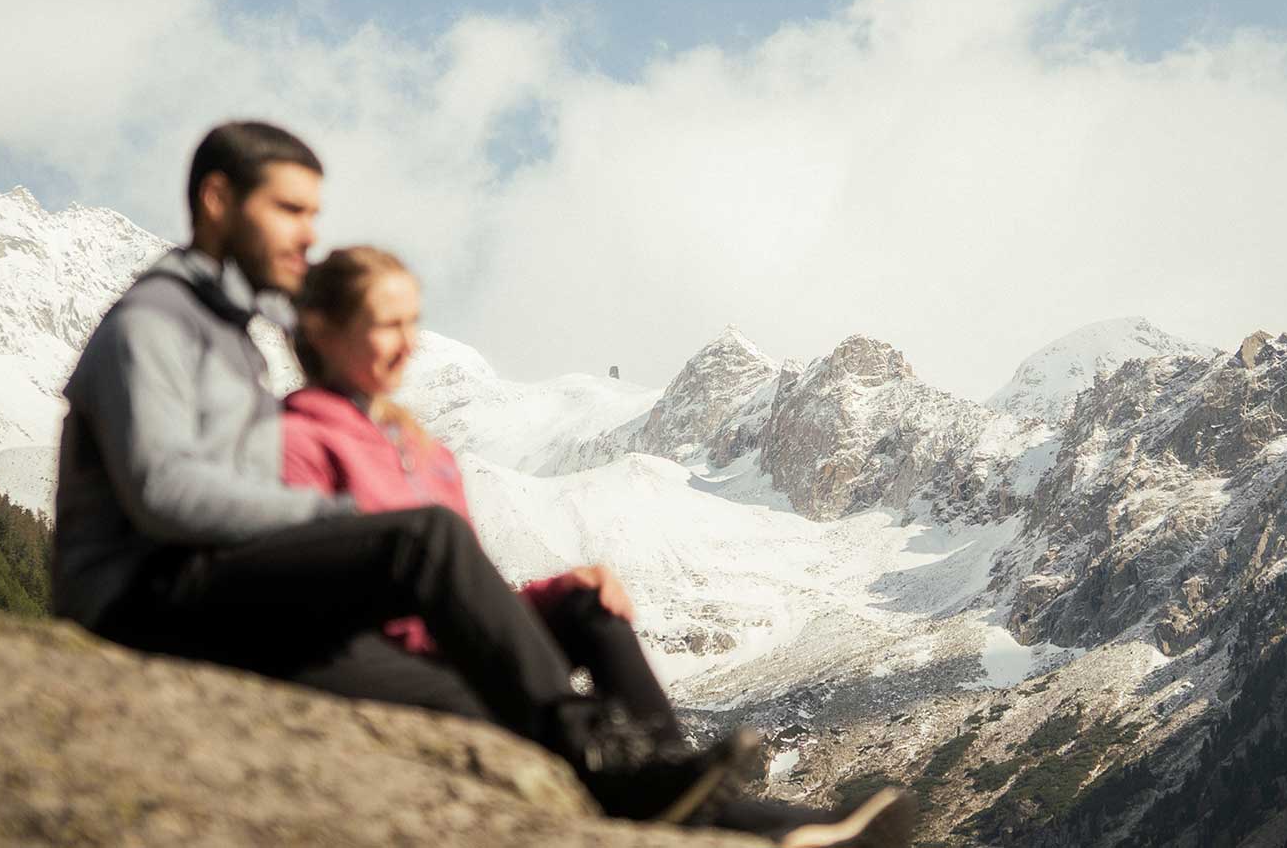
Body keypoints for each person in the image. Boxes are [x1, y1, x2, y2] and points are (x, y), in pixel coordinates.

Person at [53, 121, 755, 825]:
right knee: (428, 537)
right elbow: (163, 492)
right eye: (289, 210)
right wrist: (336, 519)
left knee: (487, 675)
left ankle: (709, 808)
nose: (307, 235)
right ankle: (606, 758)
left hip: (212, 590)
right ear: (216, 200)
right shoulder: (154, 322)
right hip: (142, 600)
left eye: (314, 215)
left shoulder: (230, 338)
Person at [284, 244, 919, 848]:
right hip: (395, 654)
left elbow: (468, 589)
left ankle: (671, 781)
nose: (407, 343)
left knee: (592, 609)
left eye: (411, 323)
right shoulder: (299, 438)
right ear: (324, 331)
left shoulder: (426, 454)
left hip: (457, 640)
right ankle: (746, 815)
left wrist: (557, 593)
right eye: (385, 324)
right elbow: (324, 585)